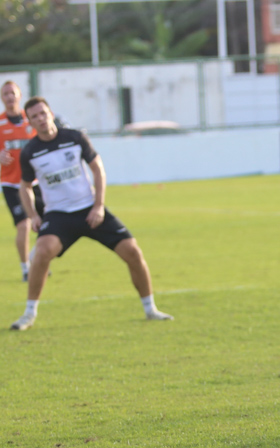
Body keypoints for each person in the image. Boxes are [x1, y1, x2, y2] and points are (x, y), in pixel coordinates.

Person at [10, 96, 173, 330]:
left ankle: (151, 309)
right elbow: (25, 186)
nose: (41, 119)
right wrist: (34, 215)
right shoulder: (30, 152)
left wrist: (98, 205)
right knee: (41, 253)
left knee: (133, 251)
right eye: (34, 116)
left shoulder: (75, 138)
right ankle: (28, 314)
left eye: (43, 113)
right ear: (30, 122)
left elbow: (98, 169)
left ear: (51, 113)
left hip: (90, 210)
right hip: (59, 216)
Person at [0, 80, 44, 281]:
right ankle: (26, 268)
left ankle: (37, 258)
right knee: (24, 225)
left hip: (35, 181)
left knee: (47, 222)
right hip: (11, 183)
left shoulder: (31, 120)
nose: (9, 97)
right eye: (5, 93)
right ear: (2, 98)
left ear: (19, 95)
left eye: (12, 92)